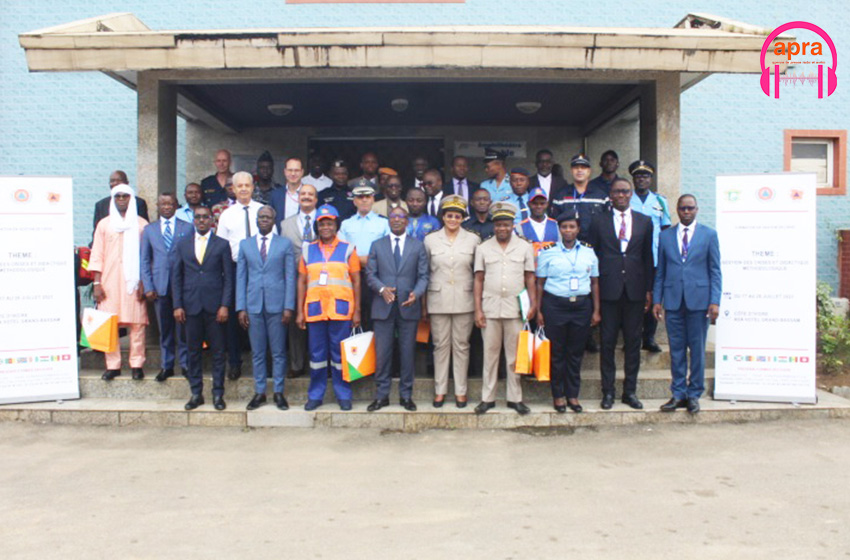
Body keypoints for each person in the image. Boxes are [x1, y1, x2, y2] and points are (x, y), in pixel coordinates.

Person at [588, 177, 654, 411]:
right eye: (617, 192)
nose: (622, 195)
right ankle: (608, 393)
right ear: (611, 195)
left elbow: (648, 258)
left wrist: (649, 290)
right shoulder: (598, 221)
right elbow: (592, 256)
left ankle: (630, 392)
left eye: (626, 191)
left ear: (631, 194)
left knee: (633, 343)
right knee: (607, 343)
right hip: (608, 290)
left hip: (635, 291)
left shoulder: (645, 222)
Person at [654, 195, 721, 415]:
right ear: (676, 210)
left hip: (699, 302)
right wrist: (657, 300)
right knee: (677, 351)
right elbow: (660, 272)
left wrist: (714, 301)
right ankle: (678, 393)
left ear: (697, 210)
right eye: (682, 208)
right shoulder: (665, 236)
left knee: (698, 350)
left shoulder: (709, 235)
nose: (686, 212)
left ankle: (694, 395)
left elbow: (714, 271)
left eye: (690, 208)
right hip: (673, 302)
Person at [296, 205, 361, 411]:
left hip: (341, 310)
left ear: (336, 226)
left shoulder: (348, 248)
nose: (325, 227)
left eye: (329, 223)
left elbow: (357, 281)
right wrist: (299, 311)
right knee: (316, 356)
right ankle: (315, 395)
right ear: (317, 226)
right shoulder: (307, 249)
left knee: (340, 355)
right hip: (315, 310)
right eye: (322, 223)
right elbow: (301, 281)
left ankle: (343, 395)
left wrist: (357, 310)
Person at [473, 202, 536, 415]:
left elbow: (530, 277)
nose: (502, 228)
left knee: (513, 357)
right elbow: (478, 280)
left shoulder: (525, 247)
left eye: (506, 224)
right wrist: (477, 310)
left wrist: (534, 304)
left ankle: (514, 398)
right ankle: (487, 398)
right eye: (498, 224)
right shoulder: (483, 248)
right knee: (489, 356)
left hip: (515, 309)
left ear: (512, 225)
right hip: (490, 308)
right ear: (494, 226)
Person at [535, 210, 601, 413]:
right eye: (564, 227)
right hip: (555, 306)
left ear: (578, 229)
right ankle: (558, 395)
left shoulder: (589, 252)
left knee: (575, 353)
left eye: (572, 226)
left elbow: (595, 282)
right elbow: (539, 283)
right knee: (557, 353)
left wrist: (596, 310)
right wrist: (538, 310)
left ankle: (573, 394)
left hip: (581, 307)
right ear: (559, 229)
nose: (568, 230)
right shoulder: (548, 251)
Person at [365, 206, 430, 412]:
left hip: (407, 306)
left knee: (407, 353)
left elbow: (424, 276)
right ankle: (382, 396)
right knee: (382, 353)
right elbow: (370, 274)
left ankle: (406, 396)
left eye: (401, 217)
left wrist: (416, 293)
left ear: (407, 221)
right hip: (382, 307)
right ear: (388, 221)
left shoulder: (417, 246)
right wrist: (382, 289)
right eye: (393, 216)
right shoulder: (377, 245)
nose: (396, 220)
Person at [172, 206, 232, 411]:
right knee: (193, 352)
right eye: (198, 217)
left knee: (217, 352)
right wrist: (178, 305)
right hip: (190, 307)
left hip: (215, 309)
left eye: (206, 217)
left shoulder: (222, 245)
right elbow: (176, 277)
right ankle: (196, 393)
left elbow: (228, 279)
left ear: (212, 220)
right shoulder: (182, 245)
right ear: (194, 221)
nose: (202, 221)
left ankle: (218, 394)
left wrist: (225, 305)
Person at [237, 206, 296, 411]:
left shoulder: (284, 244)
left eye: (268, 217)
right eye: (261, 217)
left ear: (274, 220)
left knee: (279, 352)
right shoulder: (245, 245)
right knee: (258, 352)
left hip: (277, 305)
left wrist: (289, 306)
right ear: (256, 219)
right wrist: (240, 308)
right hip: (253, 305)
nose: (264, 220)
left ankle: (278, 392)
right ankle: (260, 392)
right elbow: (241, 277)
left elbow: (290, 277)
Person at [424, 195, 480, 408]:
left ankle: (460, 391)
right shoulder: (430, 240)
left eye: (457, 216)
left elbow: (477, 272)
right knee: (440, 346)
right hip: (438, 299)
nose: (453, 219)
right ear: (443, 217)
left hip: (465, 300)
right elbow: (426, 271)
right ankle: (440, 391)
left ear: (463, 218)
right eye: (449, 215)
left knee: (462, 346)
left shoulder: (473, 239)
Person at [89, 184, 149, 381]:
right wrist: (97, 284)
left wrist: (144, 283)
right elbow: (97, 255)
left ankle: (137, 364)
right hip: (109, 282)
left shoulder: (141, 225)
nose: (121, 199)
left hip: (134, 282)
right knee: (109, 324)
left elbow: (147, 257)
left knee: (137, 324)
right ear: (113, 200)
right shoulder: (104, 224)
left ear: (131, 199)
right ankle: (113, 365)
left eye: (125, 196)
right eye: (118, 197)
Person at [216, 171, 264, 380]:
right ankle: (234, 362)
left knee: (260, 314)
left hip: (259, 268)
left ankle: (262, 362)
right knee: (235, 318)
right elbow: (221, 247)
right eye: (239, 186)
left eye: (247, 185)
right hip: (235, 269)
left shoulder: (262, 210)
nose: (244, 189)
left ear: (253, 187)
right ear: (233, 189)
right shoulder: (227, 214)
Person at [140, 192, 193, 382]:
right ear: (157, 206)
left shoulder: (187, 228)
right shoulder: (150, 230)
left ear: (176, 206)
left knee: (183, 328)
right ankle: (167, 365)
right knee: (165, 329)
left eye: (170, 204)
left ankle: (185, 365)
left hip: (182, 287)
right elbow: (144, 260)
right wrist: (148, 286)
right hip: (159, 286)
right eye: (163, 204)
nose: (167, 207)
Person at [628, 160, 672, 353]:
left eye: (645, 176)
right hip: (633, 257)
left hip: (654, 258)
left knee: (654, 296)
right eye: (638, 176)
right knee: (633, 297)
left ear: (651, 179)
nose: (641, 179)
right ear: (633, 179)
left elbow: (665, 228)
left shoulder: (660, 201)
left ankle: (650, 337)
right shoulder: (627, 199)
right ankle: (633, 337)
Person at [278, 184, 319, 378]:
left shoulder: (326, 220)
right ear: (298, 198)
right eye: (303, 194)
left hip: (321, 280)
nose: (306, 197)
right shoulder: (285, 224)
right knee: (296, 323)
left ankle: (318, 363)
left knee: (318, 322)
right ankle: (296, 364)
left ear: (316, 199)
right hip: (295, 279)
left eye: (310, 194)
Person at [339, 182, 390, 331]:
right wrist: (359, 260)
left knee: (376, 321)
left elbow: (387, 251)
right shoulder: (345, 224)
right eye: (360, 197)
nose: (364, 200)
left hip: (377, 276)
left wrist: (366, 260)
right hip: (352, 277)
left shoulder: (384, 223)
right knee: (354, 319)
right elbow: (341, 252)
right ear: (354, 200)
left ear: (373, 199)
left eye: (367, 196)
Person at [548, 154, 609, 243]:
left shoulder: (601, 196)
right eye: (576, 167)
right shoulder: (560, 196)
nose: (579, 170)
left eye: (583, 167)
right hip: (567, 247)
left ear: (589, 171)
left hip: (594, 248)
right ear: (571, 170)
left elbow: (607, 224)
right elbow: (554, 224)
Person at [92, 171, 149, 239]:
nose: (115, 183)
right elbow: (97, 232)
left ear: (127, 183)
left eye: (119, 180)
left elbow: (144, 230)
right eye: (112, 181)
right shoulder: (101, 205)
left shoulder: (139, 203)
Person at [516, 187, 558, 256]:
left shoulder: (556, 225)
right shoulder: (519, 227)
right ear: (528, 204)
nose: (539, 206)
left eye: (542, 203)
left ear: (547, 204)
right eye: (535, 203)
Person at [269, 157, 305, 222]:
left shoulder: (310, 194)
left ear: (302, 172)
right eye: (290, 170)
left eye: (296, 170)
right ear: (285, 172)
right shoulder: (275, 195)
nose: (293, 174)